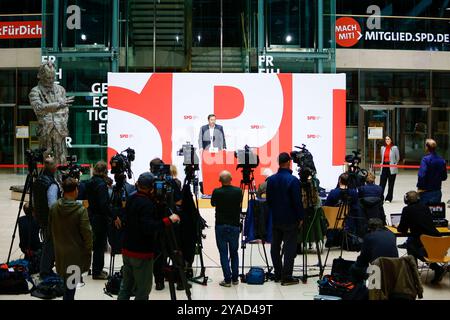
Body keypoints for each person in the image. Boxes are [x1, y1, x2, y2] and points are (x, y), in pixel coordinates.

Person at [117, 172, 180, 300]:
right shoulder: (146, 204)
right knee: (143, 289)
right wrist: (168, 220)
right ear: (151, 187)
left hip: (127, 249)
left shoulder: (131, 197)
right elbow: (148, 227)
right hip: (141, 253)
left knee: (126, 287)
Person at [48, 178, 92, 300]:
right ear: (74, 191)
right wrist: (88, 251)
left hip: (60, 253)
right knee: (71, 289)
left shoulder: (54, 207)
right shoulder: (80, 210)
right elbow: (87, 234)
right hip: (75, 255)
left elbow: (49, 230)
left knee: (66, 285)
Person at [266, 152, 304, 285]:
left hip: (276, 218)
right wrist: (300, 217)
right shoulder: (293, 180)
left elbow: (269, 201)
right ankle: (287, 276)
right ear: (289, 162)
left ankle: (277, 273)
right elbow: (297, 202)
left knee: (275, 246)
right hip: (290, 219)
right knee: (289, 248)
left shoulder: (271, 180)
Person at [29, 61, 74, 164]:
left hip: (60, 131)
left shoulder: (61, 90)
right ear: (41, 76)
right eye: (48, 78)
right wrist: (57, 105)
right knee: (47, 160)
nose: (51, 80)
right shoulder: (35, 91)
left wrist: (61, 122)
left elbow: (65, 110)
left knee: (62, 159)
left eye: (53, 77)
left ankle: (62, 179)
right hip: (46, 131)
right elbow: (39, 108)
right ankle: (47, 179)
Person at [397, 191, 445, 284]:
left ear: (406, 200)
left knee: (411, 247)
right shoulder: (425, 207)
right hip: (439, 242)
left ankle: (415, 272)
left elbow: (402, 229)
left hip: (425, 243)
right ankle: (436, 268)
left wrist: (398, 226)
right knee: (416, 247)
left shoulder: (407, 209)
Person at [210, 170, 243, 287]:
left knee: (223, 253)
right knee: (234, 253)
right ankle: (235, 278)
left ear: (220, 180)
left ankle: (227, 280)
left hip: (220, 225)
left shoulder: (216, 192)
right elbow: (239, 203)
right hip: (234, 225)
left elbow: (213, 204)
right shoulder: (239, 191)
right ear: (231, 179)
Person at [32, 156, 60, 278]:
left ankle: (45, 269)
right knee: (50, 245)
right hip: (50, 219)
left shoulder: (38, 180)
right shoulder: (52, 184)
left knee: (46, 243)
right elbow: (52, 205)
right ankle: (45, 271)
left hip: (40, 217)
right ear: (54, 169)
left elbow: (35, 200)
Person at [85, 161, 111, 280]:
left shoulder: (90, 182)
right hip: (100, 218)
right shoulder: (101, 185)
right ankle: (97, 271)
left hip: (92, 215)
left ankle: (96, 269)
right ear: (105, 171)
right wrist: (112, 216)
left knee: (96, 245)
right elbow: (103, 204)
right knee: (100, 246)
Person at [417, 139, 448, 205]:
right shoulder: (442, 160)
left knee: (424, 212)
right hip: (437, 191)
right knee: (435, 213)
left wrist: (420, 187)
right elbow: (444, 177)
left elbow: (422, 175)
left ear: (427, 147)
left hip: (425, 191)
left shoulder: (425, 160)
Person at [379, 135, 399, 203]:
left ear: (391, 140)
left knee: (391, 184)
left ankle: (389, 198)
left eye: (388, 139)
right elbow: (382, 156)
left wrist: (394, 164)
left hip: (391, 167)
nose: (387, 140)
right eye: (386, 139)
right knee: (382, 183)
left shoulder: (394, 148)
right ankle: (380, 197)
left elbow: (397, 158)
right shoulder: (382, 148)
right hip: (384, 166)